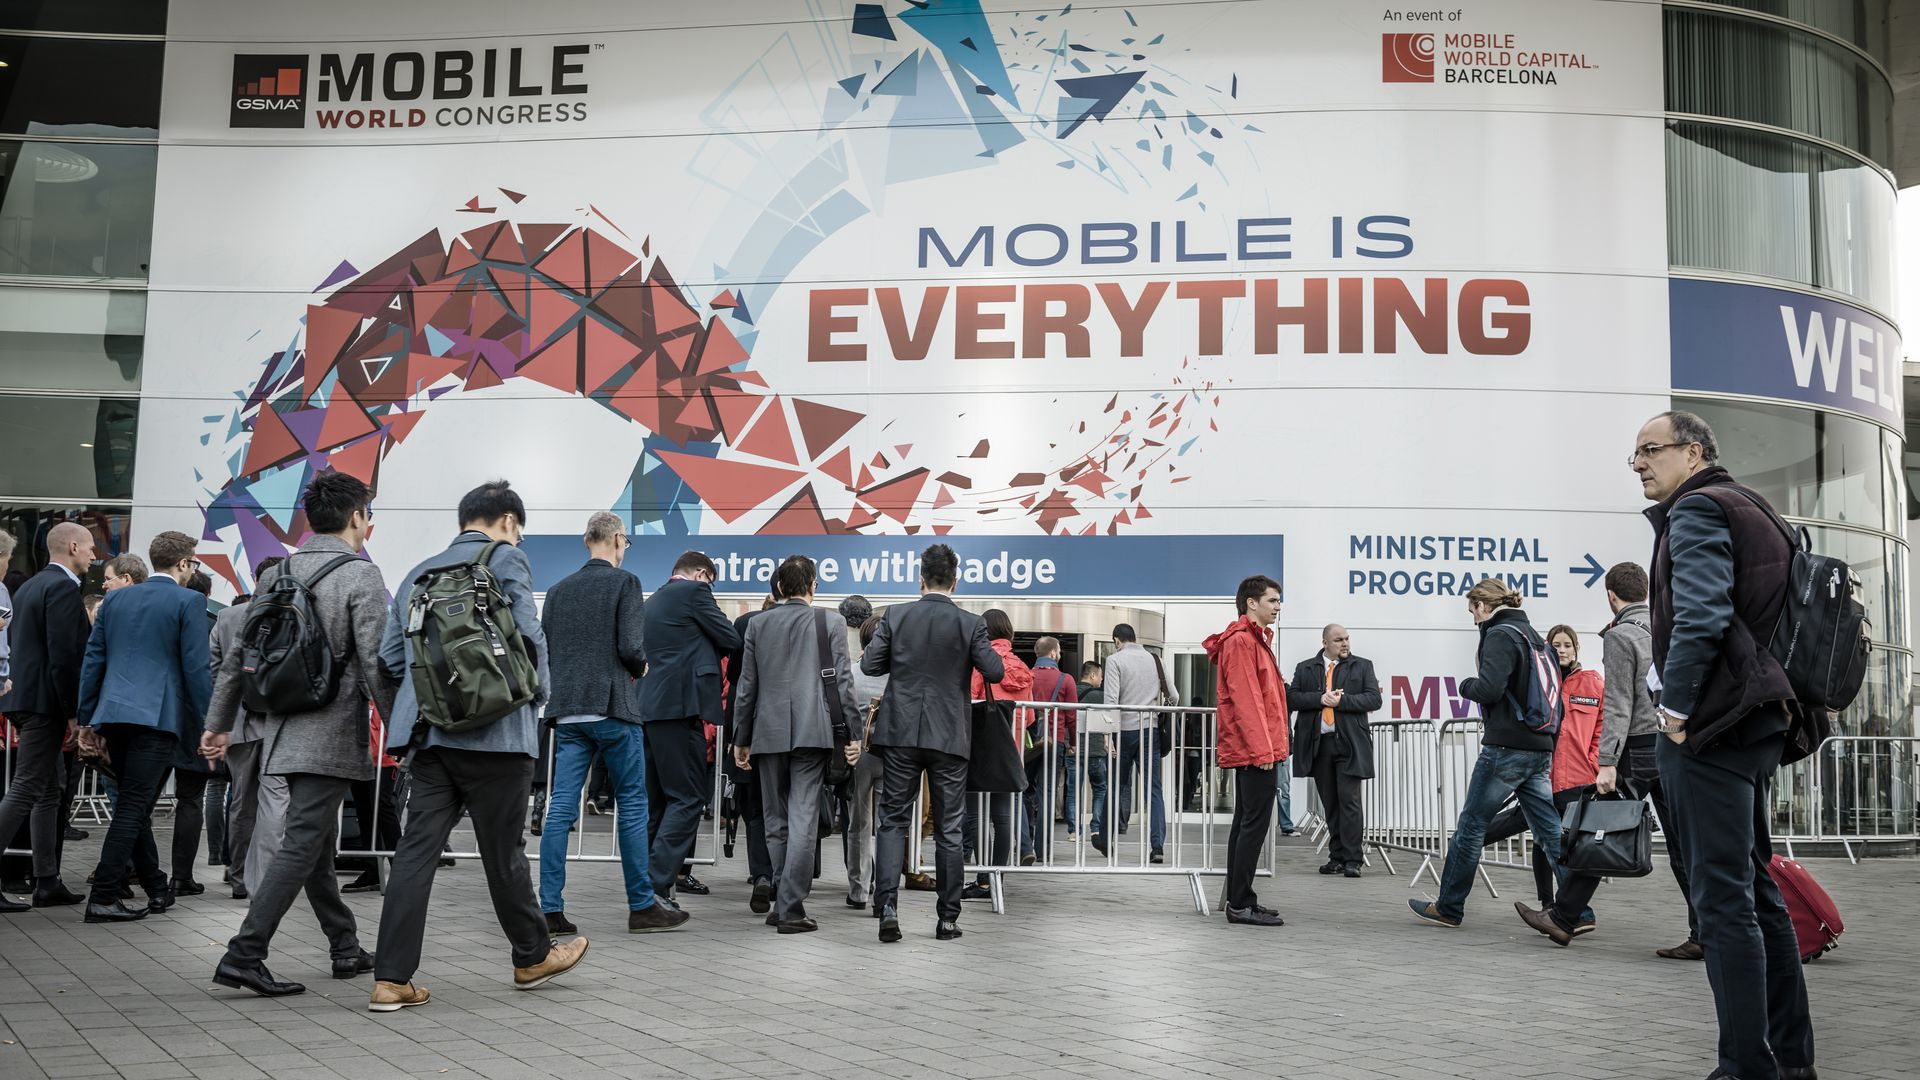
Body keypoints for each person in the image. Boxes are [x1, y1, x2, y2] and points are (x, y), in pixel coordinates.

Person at [1612, 411, 1814, 1079]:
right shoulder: (1755, 507)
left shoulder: (1696, 511)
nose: (1638, 463)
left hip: (1713, 727)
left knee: (1722, 901)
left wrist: (1673, 708)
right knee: (1754, 894)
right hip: (1757, 722)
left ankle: (1744, 1068)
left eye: (1650, 450)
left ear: (1692, 451)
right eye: (1635, 454)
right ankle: (1790, 1061)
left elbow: (1701, 613)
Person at [369, 480, 587, 1013]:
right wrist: (537, 704)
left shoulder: (420, 571)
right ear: (509, 522)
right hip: (500, 737)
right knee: (503, 851)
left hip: (432, 739)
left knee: (415, 854)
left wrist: (415, 715)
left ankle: (390, 980)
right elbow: (530, 640)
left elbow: (389, 662)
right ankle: (532, 956)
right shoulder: (507, 559)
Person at [202, 471, 395, 997]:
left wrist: (218, 724)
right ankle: (244, 954)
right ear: (357, 517)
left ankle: (344, 945)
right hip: (330, 733)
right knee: (303, 842)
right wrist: (401, 731)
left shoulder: (277, 573)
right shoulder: (361, 576)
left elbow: (239, 661)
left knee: (315, 844)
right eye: (369, 513)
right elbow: (377, 665)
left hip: (282, 729)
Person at [537, 512, 685, 936]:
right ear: (618, 539)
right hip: (613, 707)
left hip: (568, 711)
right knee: (633, 805)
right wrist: (640, 667)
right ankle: (642, 905)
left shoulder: (559, 591)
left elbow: (546, 649)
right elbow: (630, 646)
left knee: (561, 807)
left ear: (587, 541)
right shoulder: (626, 583)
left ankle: (550, 908)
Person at [863, 543, 1004, 943]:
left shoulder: (896, 615)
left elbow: (871, 665)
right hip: (948, 733)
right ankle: (946, 919)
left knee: (892, 819)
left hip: (901, 731)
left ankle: (887, 907)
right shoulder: (970, 623)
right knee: (949, 826)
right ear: (955, 582)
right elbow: (993, 671)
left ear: (920, 578)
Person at [1410, 578, 1564, 929]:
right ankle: (1577, 911)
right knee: (1550, 831)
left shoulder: (1500, 634)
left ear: (1483, 605)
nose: (1473, 619)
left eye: (1472, 611)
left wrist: (1466, 686)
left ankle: (1449, 907)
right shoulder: (1535, 637)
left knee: (1471, 826)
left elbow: (1490, 688)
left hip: (1507, 747)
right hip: (1540, 746)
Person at [74, 530, 213, 923]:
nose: (194, 570)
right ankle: (102, 896)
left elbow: (93, 660)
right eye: (195, 563)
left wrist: (87, 719)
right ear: (183, 563)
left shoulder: (116, 599)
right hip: (156, 718)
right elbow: (196, 670)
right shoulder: (189, 601)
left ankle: (154, 886)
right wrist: (210, 723)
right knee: (134, 807)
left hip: (113, 715)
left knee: (133, 804)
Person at [731, 555, 862, 933]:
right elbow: (842, 683)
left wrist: (742, 737)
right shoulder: (831, 621)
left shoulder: (758, 624)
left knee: (774, 818)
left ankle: (782, 896)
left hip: (767, 732)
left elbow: (747, 686)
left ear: (778, 588)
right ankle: (790, 906)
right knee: (803, 816)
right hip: (813, 730)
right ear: (813, 586)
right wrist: (852, 734)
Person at [0, 521, 94, 913]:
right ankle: (45, 879)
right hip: (44, 704)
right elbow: (65, 656)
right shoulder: (62, 587)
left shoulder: (31, 586)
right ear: (72, 546)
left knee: (47, 790)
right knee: (26, 788)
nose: (93, 554)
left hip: (25, 699)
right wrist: (74, 713)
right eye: (89, 547)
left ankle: (47, 880)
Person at [639, 550, 740, 905]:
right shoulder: (695, 593)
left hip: (649, 710)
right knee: (688, 798)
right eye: (711, 582)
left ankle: (650, 892)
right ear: (701, 574)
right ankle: (654, 885)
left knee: (657, 804)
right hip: (680, 709)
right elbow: (730, 637)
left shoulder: (653, 600)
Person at [1501, 625, 1603, 929]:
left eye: (1567, 644)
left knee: (1569, 845)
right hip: (1543, 775)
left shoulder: (1591, 682)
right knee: (1543, 842)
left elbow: (1604, 727)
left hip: (1577, 779)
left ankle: (1572, 908)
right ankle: (1549, 905)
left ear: (1575, 650)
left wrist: (1594, 762)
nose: (1561, 649)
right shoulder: (1539, 682)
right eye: (1555, 644)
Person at [1202, 574, 1288, 926]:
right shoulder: (1242, 641)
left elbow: (1265, 695)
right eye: (1272, 600)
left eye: (1279, 600)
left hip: (1260, 748)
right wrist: (1263, 751)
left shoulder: (1252, 640)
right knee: (1252, 824)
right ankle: (1240, 903)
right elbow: (1246, 700)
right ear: (1251, 603)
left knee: (1247, 822)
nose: (1277, 607)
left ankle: (1241, 898)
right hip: (1257, 750)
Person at [206, 555, 284, 900]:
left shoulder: (226, 616)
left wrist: (222, 719)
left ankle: (238, 875)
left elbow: (216, 672)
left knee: (241, 802)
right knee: (276, 801)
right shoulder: (286, 616)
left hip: (237, 724)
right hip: (278, 721)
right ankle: (266, 877)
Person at [1286, 624, 1380, 878]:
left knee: (1349, 801)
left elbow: (1374, 699)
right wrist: (1320, 699)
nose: (1345, 643)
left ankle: (1353, 859)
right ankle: (1336, 856)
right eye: (1339, 639)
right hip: (1320, 744)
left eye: (1347, 638)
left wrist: (1342, 701)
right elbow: (1292, 698)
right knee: (1330, 803)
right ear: (1325, 642)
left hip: (1349, 744)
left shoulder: (1362, 666)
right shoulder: (1306, 667)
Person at [965, 608, 1030, 892]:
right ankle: (997, 878)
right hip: (1011, 750)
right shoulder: (1023, 669)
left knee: (977, 815)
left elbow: (969, 705)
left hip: (980, 750)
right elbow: (1029, 717)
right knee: (1003, 816)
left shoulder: (980, 665)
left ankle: (982, 879)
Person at [722, 593, 778, 913]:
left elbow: (735, 678)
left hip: (748, 726)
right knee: (787, 806)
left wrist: (737, 737)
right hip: (788, 730)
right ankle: (787, 878)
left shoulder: (744, 623)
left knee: (754, 809)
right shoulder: (807, 624)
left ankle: (761, 875)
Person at [1101, 623, 1169, 861]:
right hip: (1150, 729)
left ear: (1117, 641)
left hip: (1124, 730)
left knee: (1116, 786)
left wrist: (1107, 736)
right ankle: (1157, 846)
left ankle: (1106, 839)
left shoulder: (1115, 660)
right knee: (1154, 789)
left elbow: (1110, 700)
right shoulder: (1155, 660)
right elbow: (1175, 695)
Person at [845, 613, 887, 911]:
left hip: (858, 754)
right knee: (890, 824)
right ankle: (884, 891)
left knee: (859, 822)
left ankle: (859, 889)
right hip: (892, 755)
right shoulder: (900, 676)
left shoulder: (850, 673)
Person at [1025, 636, 1078, 863]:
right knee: (1047, 793)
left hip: (1028, 743)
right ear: (1055, 653)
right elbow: (1073, 717)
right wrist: (1073, 742)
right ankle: (1044, 849)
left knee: (1024, 791)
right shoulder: (1066, 680)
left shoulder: (1026, 676)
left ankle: (1025, 845)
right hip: (1054, 741)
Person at [1076, 660, 1108, 842]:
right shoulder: (1099, 695)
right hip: (1096, 750)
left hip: (1075, 749)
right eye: (1101, 676)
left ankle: (1075, 830)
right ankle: (1095, 827)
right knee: (1100, 788)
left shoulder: (1070, 690)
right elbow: (1106, 720)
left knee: (1074, 791)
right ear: (1093, 675)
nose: (1102, 680)